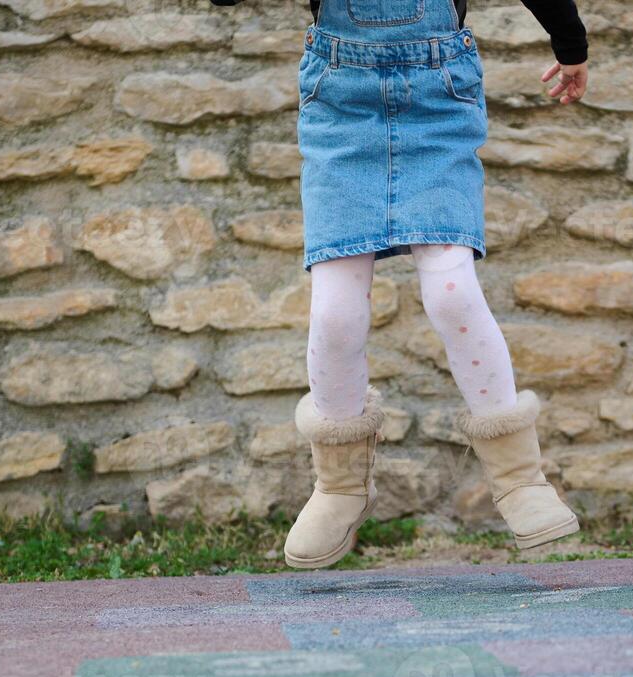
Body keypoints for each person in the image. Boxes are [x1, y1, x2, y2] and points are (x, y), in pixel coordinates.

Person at [210, 0, 590, 568]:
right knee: (335, 312)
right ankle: (340, 485)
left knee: (452, 292)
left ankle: (520, 480)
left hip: (437, 101)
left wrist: (570, 43)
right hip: (340, 105)